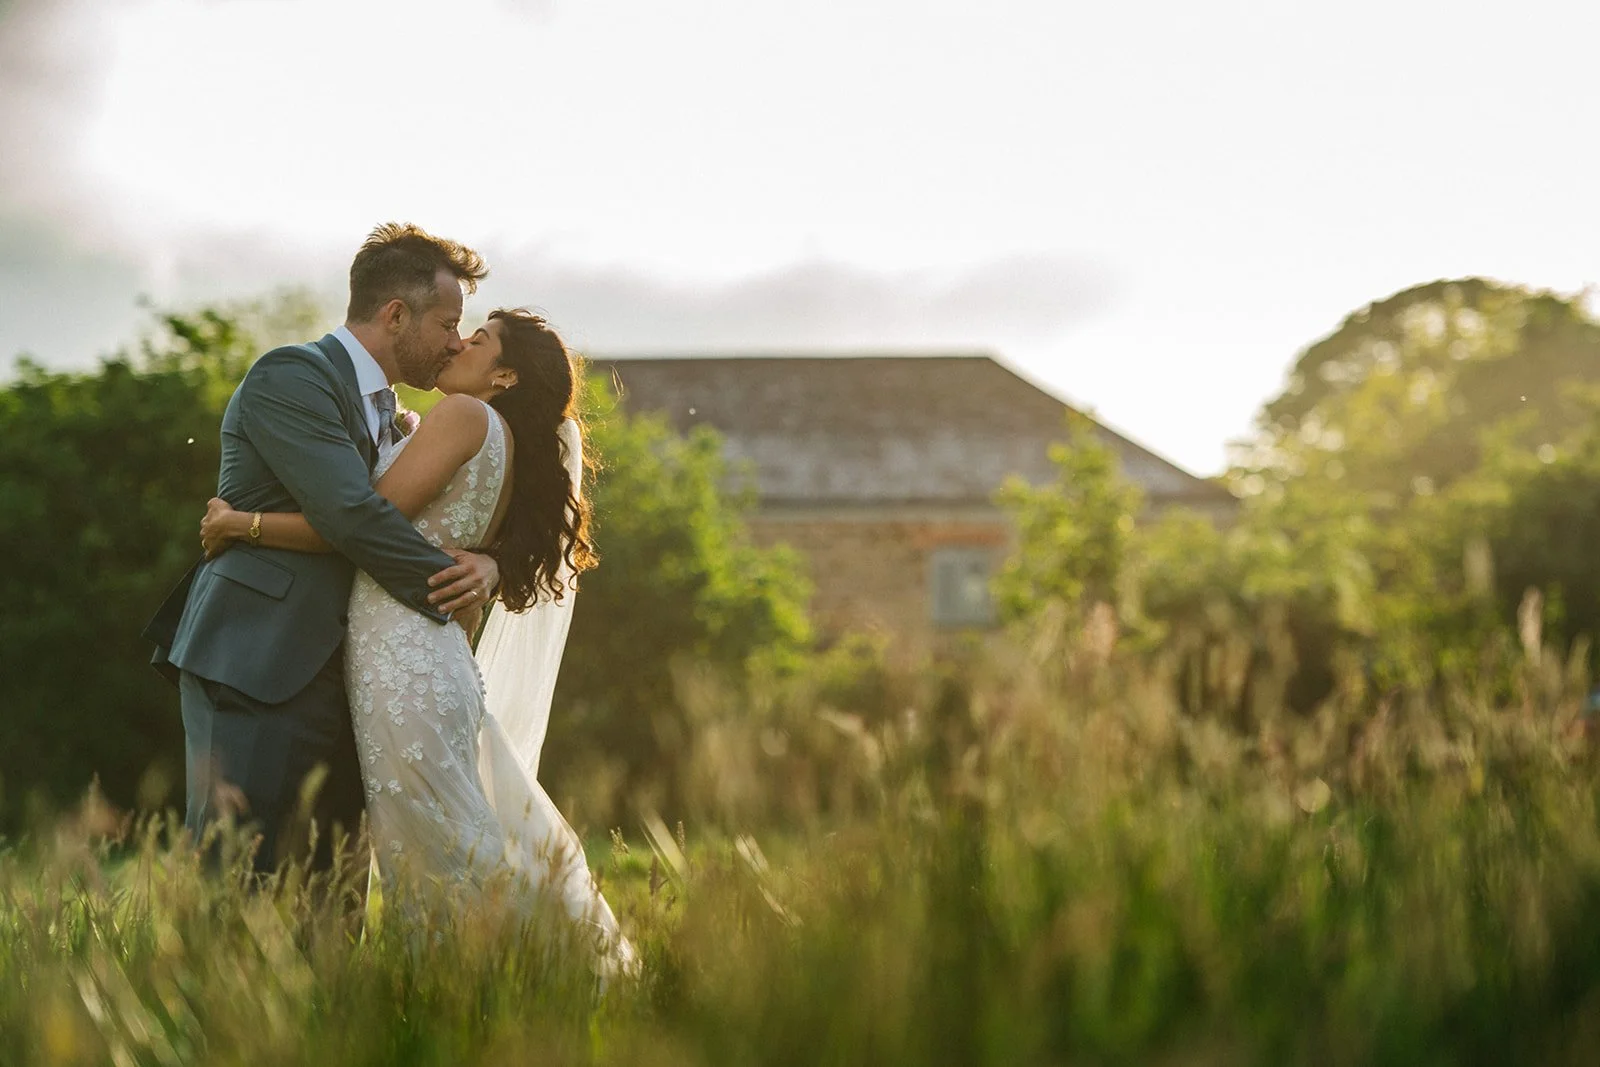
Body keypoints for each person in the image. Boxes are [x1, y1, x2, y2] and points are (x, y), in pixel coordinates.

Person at [199, 307, 636, 975]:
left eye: (480, 339)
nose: (461, 342)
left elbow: (358, 521)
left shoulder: (463, 419)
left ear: (507, 374)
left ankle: (520, 979)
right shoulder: (501, 440)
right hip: (420, 661)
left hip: (406, 664)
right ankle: (471, 986)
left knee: (440, 844)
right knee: (432, 841)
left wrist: (244, 523)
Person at [144, 222, 500, 875]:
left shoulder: (397, 413)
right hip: (260, 662)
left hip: (357, 674)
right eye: (449, 323)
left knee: (330, 888)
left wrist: (490, 566)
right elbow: (349, 513)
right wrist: (446, 590)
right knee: (239, 876)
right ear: (396, 315)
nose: (456, 340)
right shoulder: (292, 377)